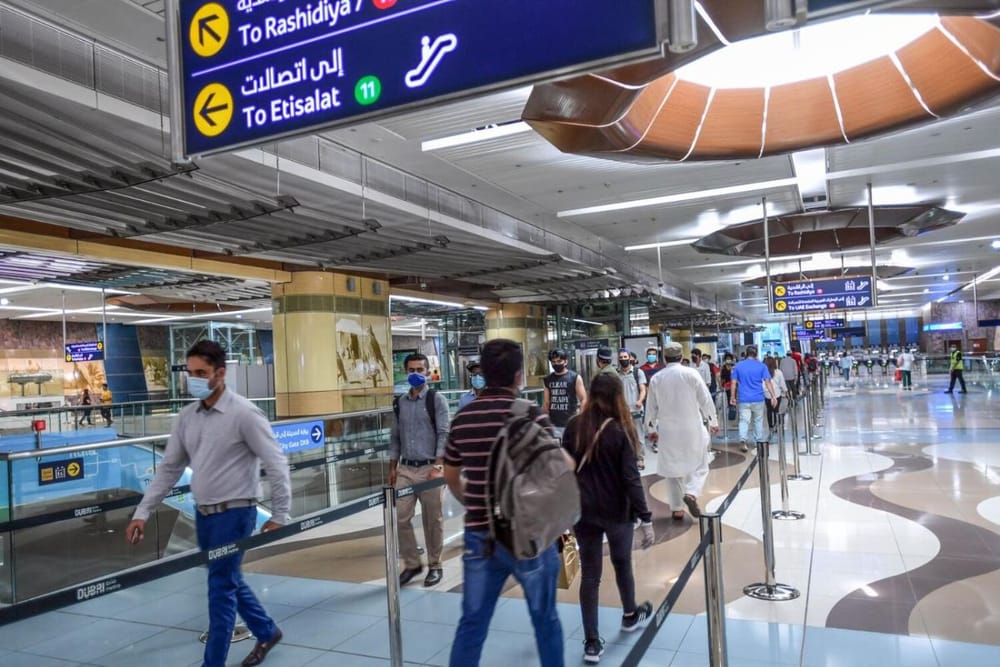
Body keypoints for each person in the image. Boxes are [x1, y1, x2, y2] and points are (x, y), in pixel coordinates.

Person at [126, 340, 290, 667]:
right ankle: (267, 630)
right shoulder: (187, 417)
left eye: (201, 373)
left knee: (220, 590)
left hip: (236, 514)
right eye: (190, 373)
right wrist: (142, 512)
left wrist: (280, 514)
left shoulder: (244, 414)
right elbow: (169, 468)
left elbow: (276, 462)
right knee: (226, 578)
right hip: (204, 515)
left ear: (220, 373)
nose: (194, 379)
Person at [443, 338, 564, 667]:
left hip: (480, 536)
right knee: (545, 620)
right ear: (518, 375)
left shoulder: (464, 417)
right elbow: (558, 471)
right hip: (529, 537)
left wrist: (476, 503)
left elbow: (451, 475)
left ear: (483, 373)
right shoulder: (530, 415)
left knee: (472, 623)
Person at [563, 373, 654, 663]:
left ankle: (591, 642)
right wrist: (646, 518)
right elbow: (631, 479)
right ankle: (629, 614)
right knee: (622, 563)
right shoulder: (621, 429)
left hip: (583, 512)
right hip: (617, 512)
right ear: (617, 397)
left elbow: (564, 471)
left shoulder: (574, 427)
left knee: (590, 575)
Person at [390, 352, 451, 587]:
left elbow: (444, 433)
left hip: (430, 468)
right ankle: (412, 563)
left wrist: (438, 466)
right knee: (401, 518)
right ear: (405, 372)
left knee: (432, 520)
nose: (415, 374)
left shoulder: (436, 400)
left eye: (420, 370)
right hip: (406, 468)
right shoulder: (400, 403)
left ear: (427, 372)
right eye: (411, 370)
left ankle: (435, 565)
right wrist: (392, 467)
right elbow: (395, 437)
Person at [646, 342, 719, 520]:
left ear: (664, 358)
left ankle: (677, 509)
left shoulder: (657, 378)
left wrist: (651, 428)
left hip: (667, 429)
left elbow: (651, 407)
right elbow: (705, 400)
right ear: (681, 357)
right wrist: (713, 421)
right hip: (692, 427)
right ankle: (692, 492)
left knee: (672, 469)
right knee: (701, 463)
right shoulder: (691, 374)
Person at [730, 345, 777, 453]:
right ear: (756, 354)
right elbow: (768, 382)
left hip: (743, 398)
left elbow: (733, 382)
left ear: (746, 354)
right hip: (758, 398)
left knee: (744, 420)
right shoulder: (761, 366)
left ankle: (743, 439)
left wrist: (732, 396)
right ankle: (758, 441)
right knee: (758, 420)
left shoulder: (738, 366)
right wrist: (773, 396)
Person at [542, 348, 587, 439]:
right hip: (553, 424)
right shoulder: (548, 379)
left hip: (570, 423)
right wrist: (545, 422)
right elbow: (546, 402)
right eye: (554, 362)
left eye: (559, 361)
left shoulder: (575, 377)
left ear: (565, 362)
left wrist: (580, 419)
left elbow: (583, 399)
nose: (556, 364)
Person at [616, 348, 647, 470]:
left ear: (630, 358)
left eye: (625, 357)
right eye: (621, 357)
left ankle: (639, 458)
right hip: (621, 411)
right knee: (622, 436)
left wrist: (640, 401)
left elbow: (643, 389)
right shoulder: (616, 374)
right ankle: (626, 459)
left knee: (638, 435)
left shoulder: (638, 372)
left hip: (636, 410)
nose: (623, 359)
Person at [764, 357, 788, 433]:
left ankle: (770, 426)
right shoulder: (778, 372)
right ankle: (776, 426)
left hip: (767, 394)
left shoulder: (763, 372)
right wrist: (785, 391)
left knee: (769, 410)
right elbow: (782, 383)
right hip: (777, 394)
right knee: (776, 410)